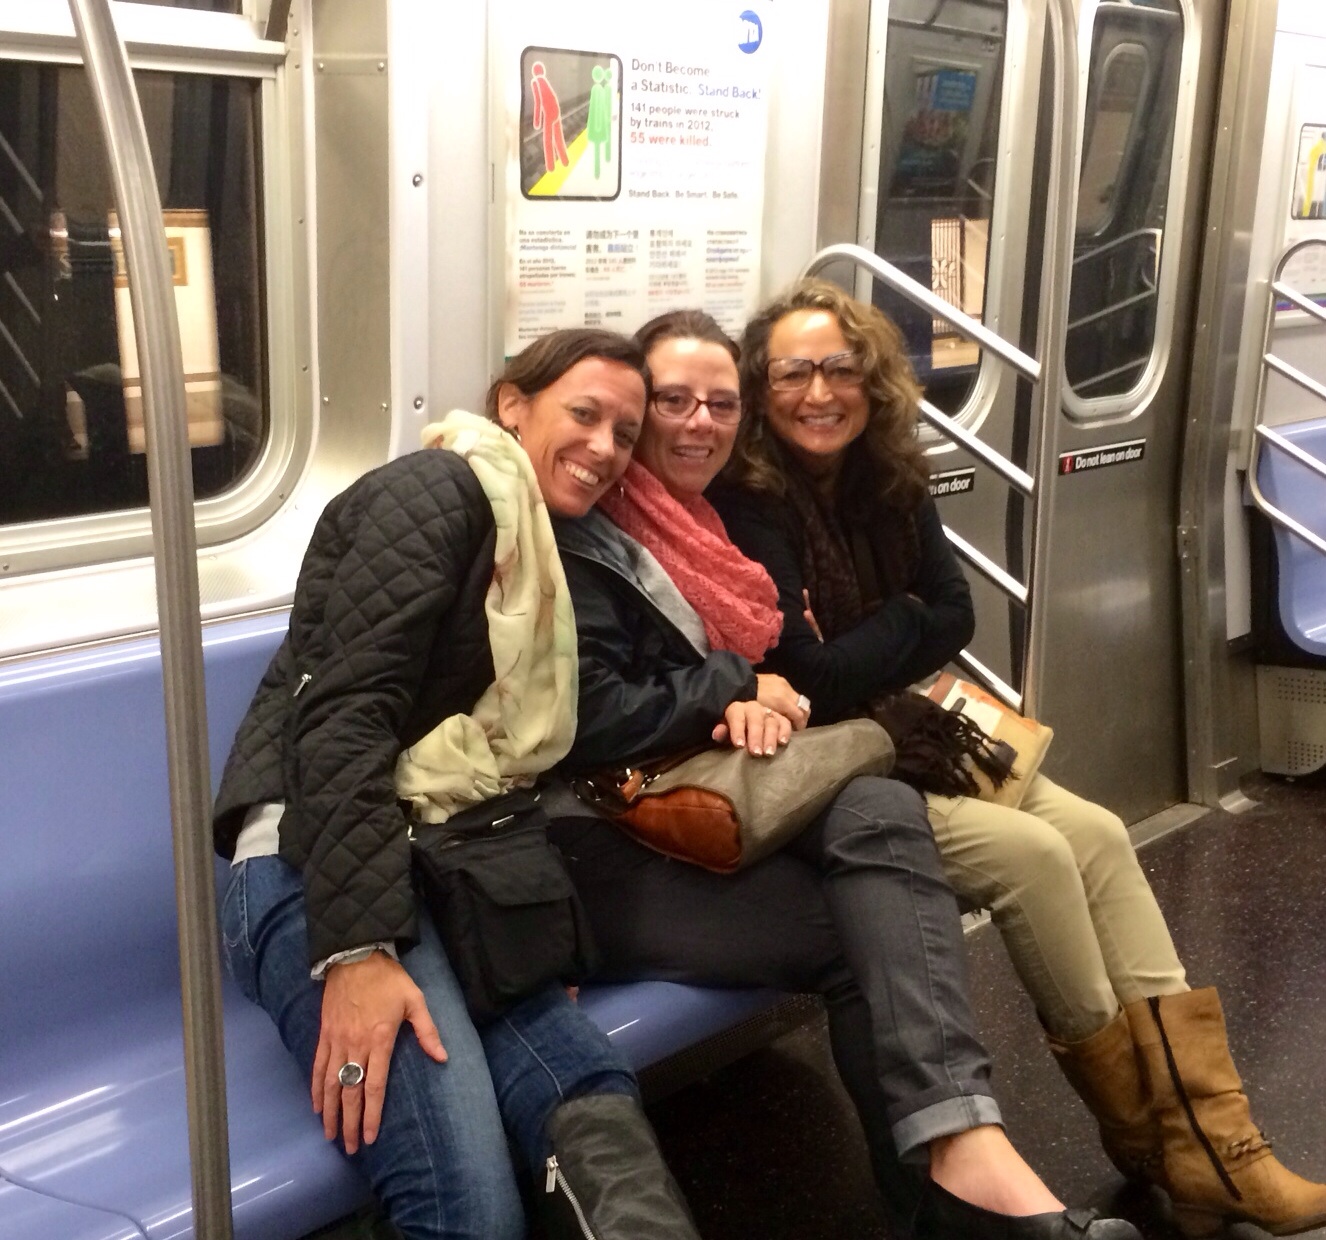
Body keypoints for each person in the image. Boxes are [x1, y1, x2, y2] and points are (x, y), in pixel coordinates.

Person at [708, 279, 1326, 1239]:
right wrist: (903, 619)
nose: (819, 392)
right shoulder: (750, 504)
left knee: (1098, 833)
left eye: (840, 368)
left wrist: (880, 635)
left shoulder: (892, 477)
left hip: (918, 726)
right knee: (1036, 859)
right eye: (792, 373)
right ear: (761, 387)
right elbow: (812, 676)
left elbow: (955, 613)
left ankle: (1218, 1142)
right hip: (842, 765)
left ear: (873, 380)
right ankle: (1154, 1146)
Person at [542, 308, 1142, 1240]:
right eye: (668, 403)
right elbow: (596, 714)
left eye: (720, 404)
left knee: (881, 810)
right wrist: (735, 687)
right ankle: (954, 1192)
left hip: (717, 778)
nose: (698, 423)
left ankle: (972, 1161)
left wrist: (750, 689)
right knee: (884, 927)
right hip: (607, 828)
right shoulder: (585, 530)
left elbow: (934, 619)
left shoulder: (707, 525)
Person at [213, 329, 700, 1240]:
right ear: (513, 404)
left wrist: (528, 933)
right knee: (466, 1196)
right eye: (584, 413)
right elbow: (342, 719)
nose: (605, 447)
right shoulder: (435, 492)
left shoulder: (537, 547)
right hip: (307, 861)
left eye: (626, 434)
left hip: (441, 864)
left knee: (587, 1098)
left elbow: (490, 768)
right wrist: (356, 951)